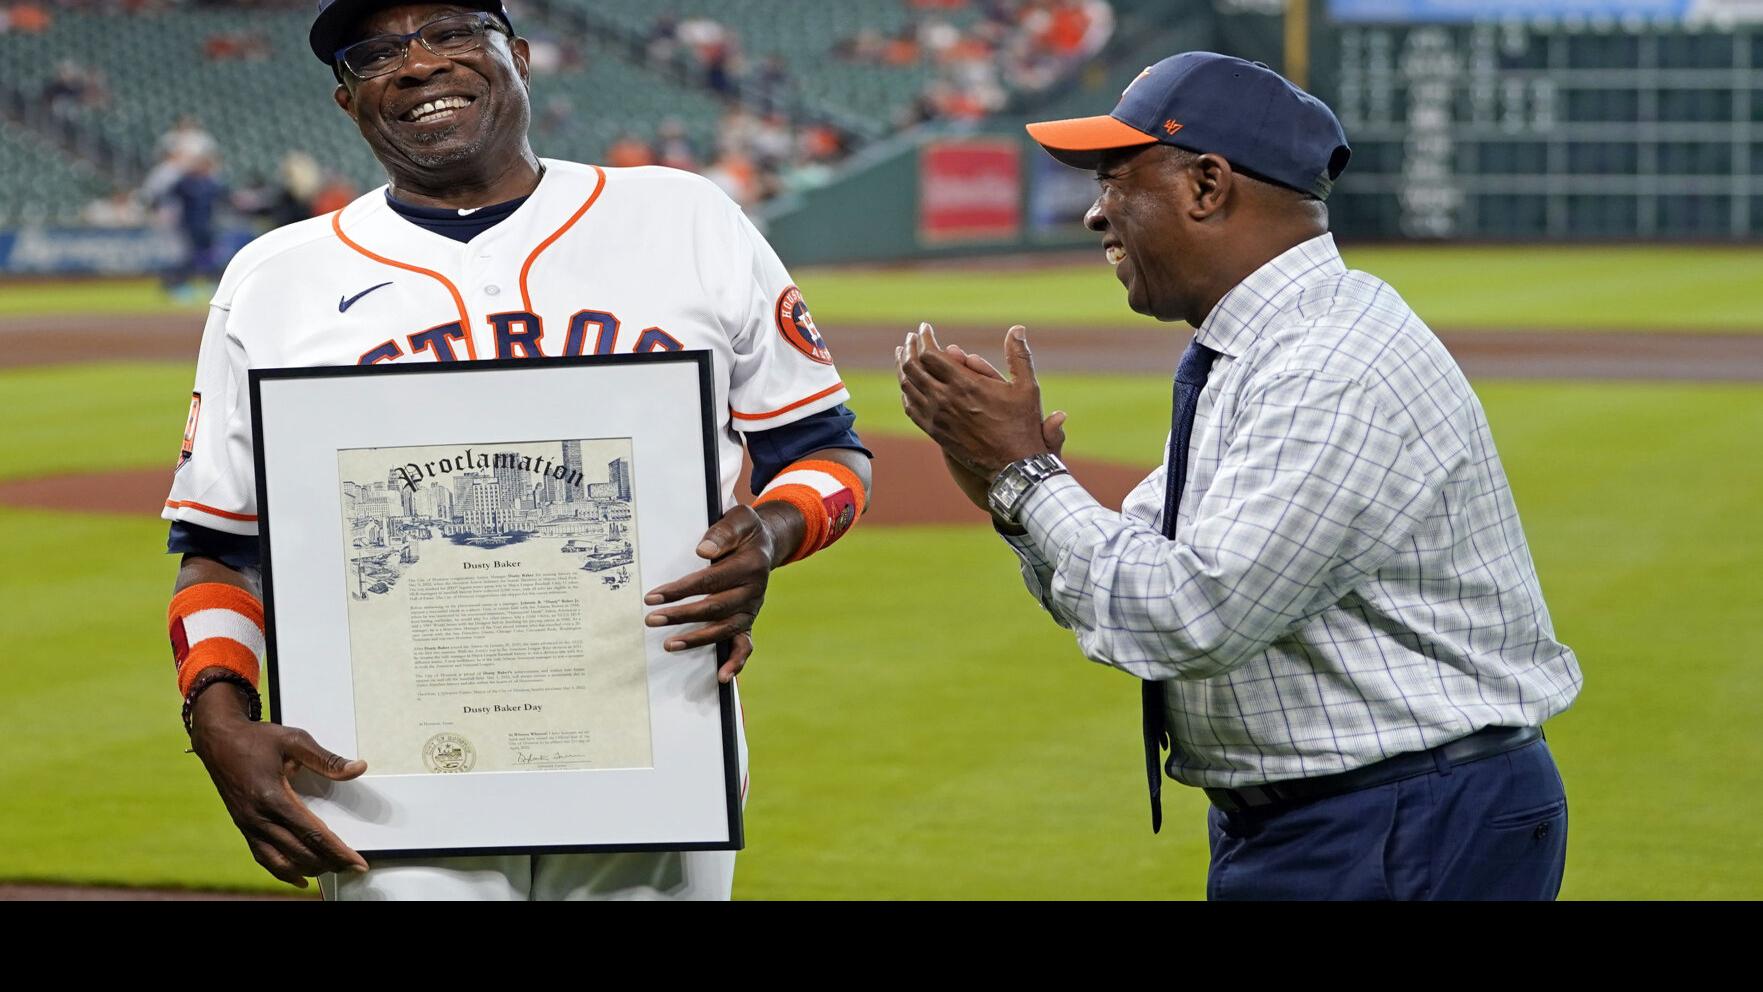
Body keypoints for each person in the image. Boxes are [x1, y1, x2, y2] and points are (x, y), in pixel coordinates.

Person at [162, 0, 872, 901]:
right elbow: (220, 545)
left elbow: (826, 453)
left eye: (454, 34)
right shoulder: (275, 278)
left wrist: (769, 534)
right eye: (377, 53)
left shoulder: (681, 216)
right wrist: (218, 714)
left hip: (652, 736)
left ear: (521, 57)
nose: (419, 64)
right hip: (384, 767)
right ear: (348, 102)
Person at [896, 52, 1581, 900]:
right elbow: (1137, 572)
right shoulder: (1264, 344)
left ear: (1207, 185)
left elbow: (1192, 617)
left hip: (1403, 817)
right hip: (1351, 814)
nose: (1094, 214)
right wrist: (1011, 496)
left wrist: (1026, 475)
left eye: (1116, 178)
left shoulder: (1329, 361)